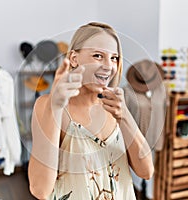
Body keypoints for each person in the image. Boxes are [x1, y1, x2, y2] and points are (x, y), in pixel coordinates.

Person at [28, 22, 154, 200]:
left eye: (114, 58)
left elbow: (146, 171)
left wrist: (125, 116)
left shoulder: (114, 108)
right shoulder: (48, 106)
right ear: (73, 58)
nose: (108, 66)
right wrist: (55, 108)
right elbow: (40, 190)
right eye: (98, 56)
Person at [124, 60, 166, 200]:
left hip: (155, 139)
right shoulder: (127, 92)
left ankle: (148, 196)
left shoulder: (161, 90)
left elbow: (165, 111)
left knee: (151, 176)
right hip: (134, 142)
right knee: (134, 177)